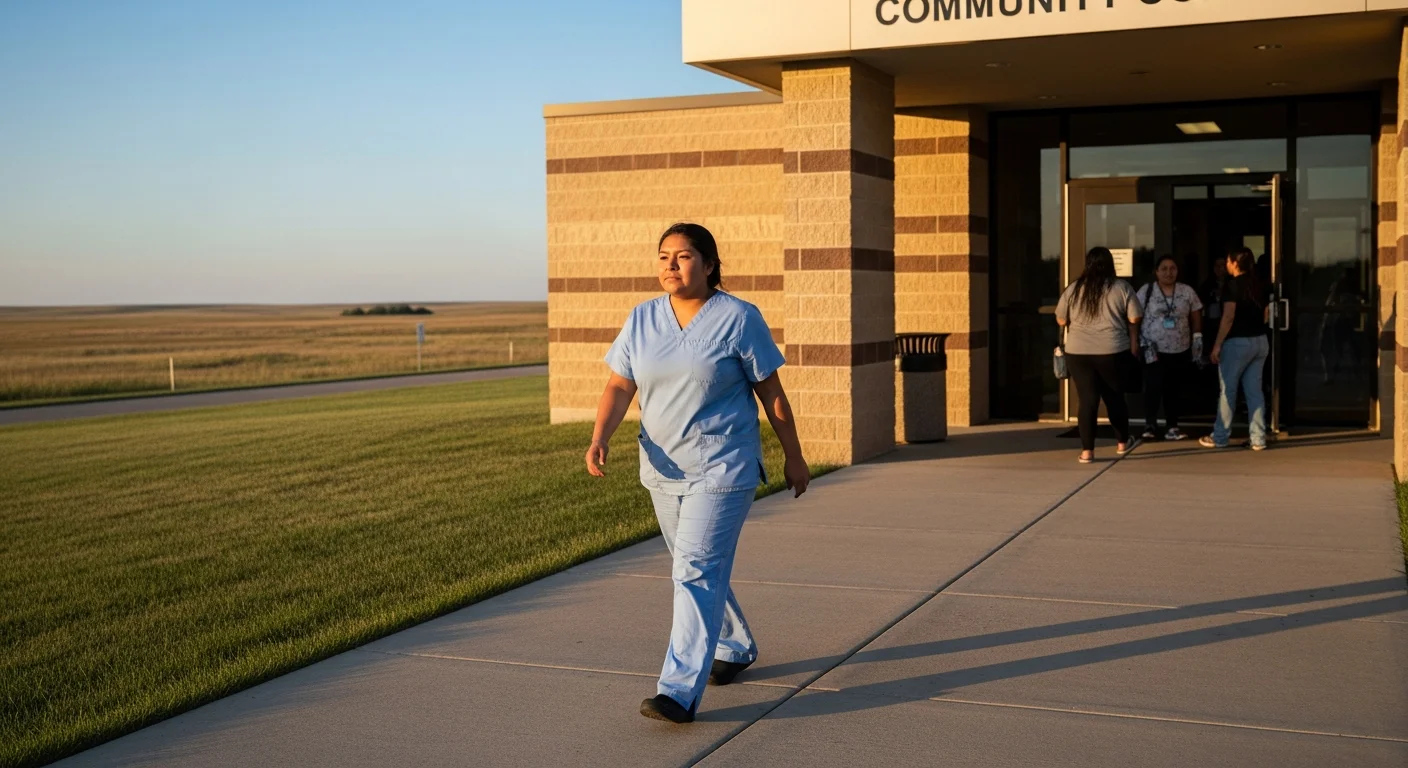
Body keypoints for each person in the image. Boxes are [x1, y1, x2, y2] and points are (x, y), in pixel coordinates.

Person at [585, 222, 810, 724]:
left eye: (683, 256)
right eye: (663, 256)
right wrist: (600, 436)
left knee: (694, 570)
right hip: (662, 467)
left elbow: (770, 393)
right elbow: (620, 386)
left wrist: (793, 455)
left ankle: (678, 692)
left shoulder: (738, 318)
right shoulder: (642, 319)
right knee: (695, 566)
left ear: (709, 265)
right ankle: (733, 647)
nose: (671, 265)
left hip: (721, 466)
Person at [1056, 246, 1143, 464]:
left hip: (1078, 352)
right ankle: (1122, 443)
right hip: (1112, 350)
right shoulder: (1121, 287)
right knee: (1114, 397)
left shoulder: (1074, 288)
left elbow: (1061, 320)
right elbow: (1134, 318)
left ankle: (1087, 452)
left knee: (1087, 401)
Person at [1201, 247, 1270, 451]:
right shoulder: (1260, 285)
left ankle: (1220, 436)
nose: (1227, 265)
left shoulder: (1232, 286)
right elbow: (1266, 314)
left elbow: (1228, 317)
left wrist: (1217, 344)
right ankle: (1258, 438)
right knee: (1254, 391)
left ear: (1234, 263)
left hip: (1237, 343)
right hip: (1260, 341)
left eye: (1228, 262)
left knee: (1228, 391)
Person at [1136, 255, 1203, 441]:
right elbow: (1134, 315)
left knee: (1173, 389)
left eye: (1172, 268)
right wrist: (1134, 340)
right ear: (1156, 272)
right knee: (1152, 386)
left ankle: (1172, 426)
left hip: (1179, 348)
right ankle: (1150, 425)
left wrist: (1197, 336)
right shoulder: (1147, 291)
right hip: (1152, 349)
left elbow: (1196, 312)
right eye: (1164, 269)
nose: (1168, 272)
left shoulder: (1186, 291)